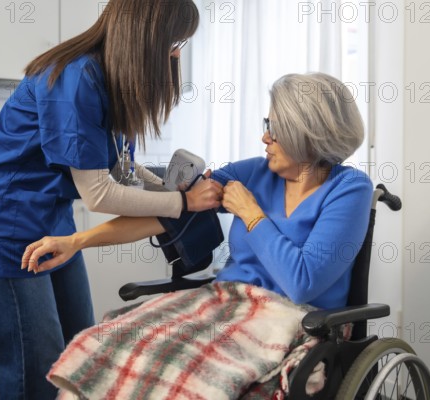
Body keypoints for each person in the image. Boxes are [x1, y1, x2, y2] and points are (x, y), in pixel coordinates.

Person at [21, 73, 374, 399]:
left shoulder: (349, 189)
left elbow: (303, 283)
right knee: (110, 341)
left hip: (297, 318)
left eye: (275, 128)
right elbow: (169, 213)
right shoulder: (253, 172)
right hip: (228, 301)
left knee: (184, 375)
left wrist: (251, 214)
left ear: (307, 132)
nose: (265, 137)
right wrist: (76, 241)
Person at [0, 1, 223, 399]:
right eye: (174, 41)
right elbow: (99, 194)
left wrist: (168, 189)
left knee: (80, 345)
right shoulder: (76, 78)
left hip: (50, 219)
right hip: (4, 223)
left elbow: (120, 166)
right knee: (36, 367)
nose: (177, 53)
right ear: (147, 36)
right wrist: (183, 204)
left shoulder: (113, 79)